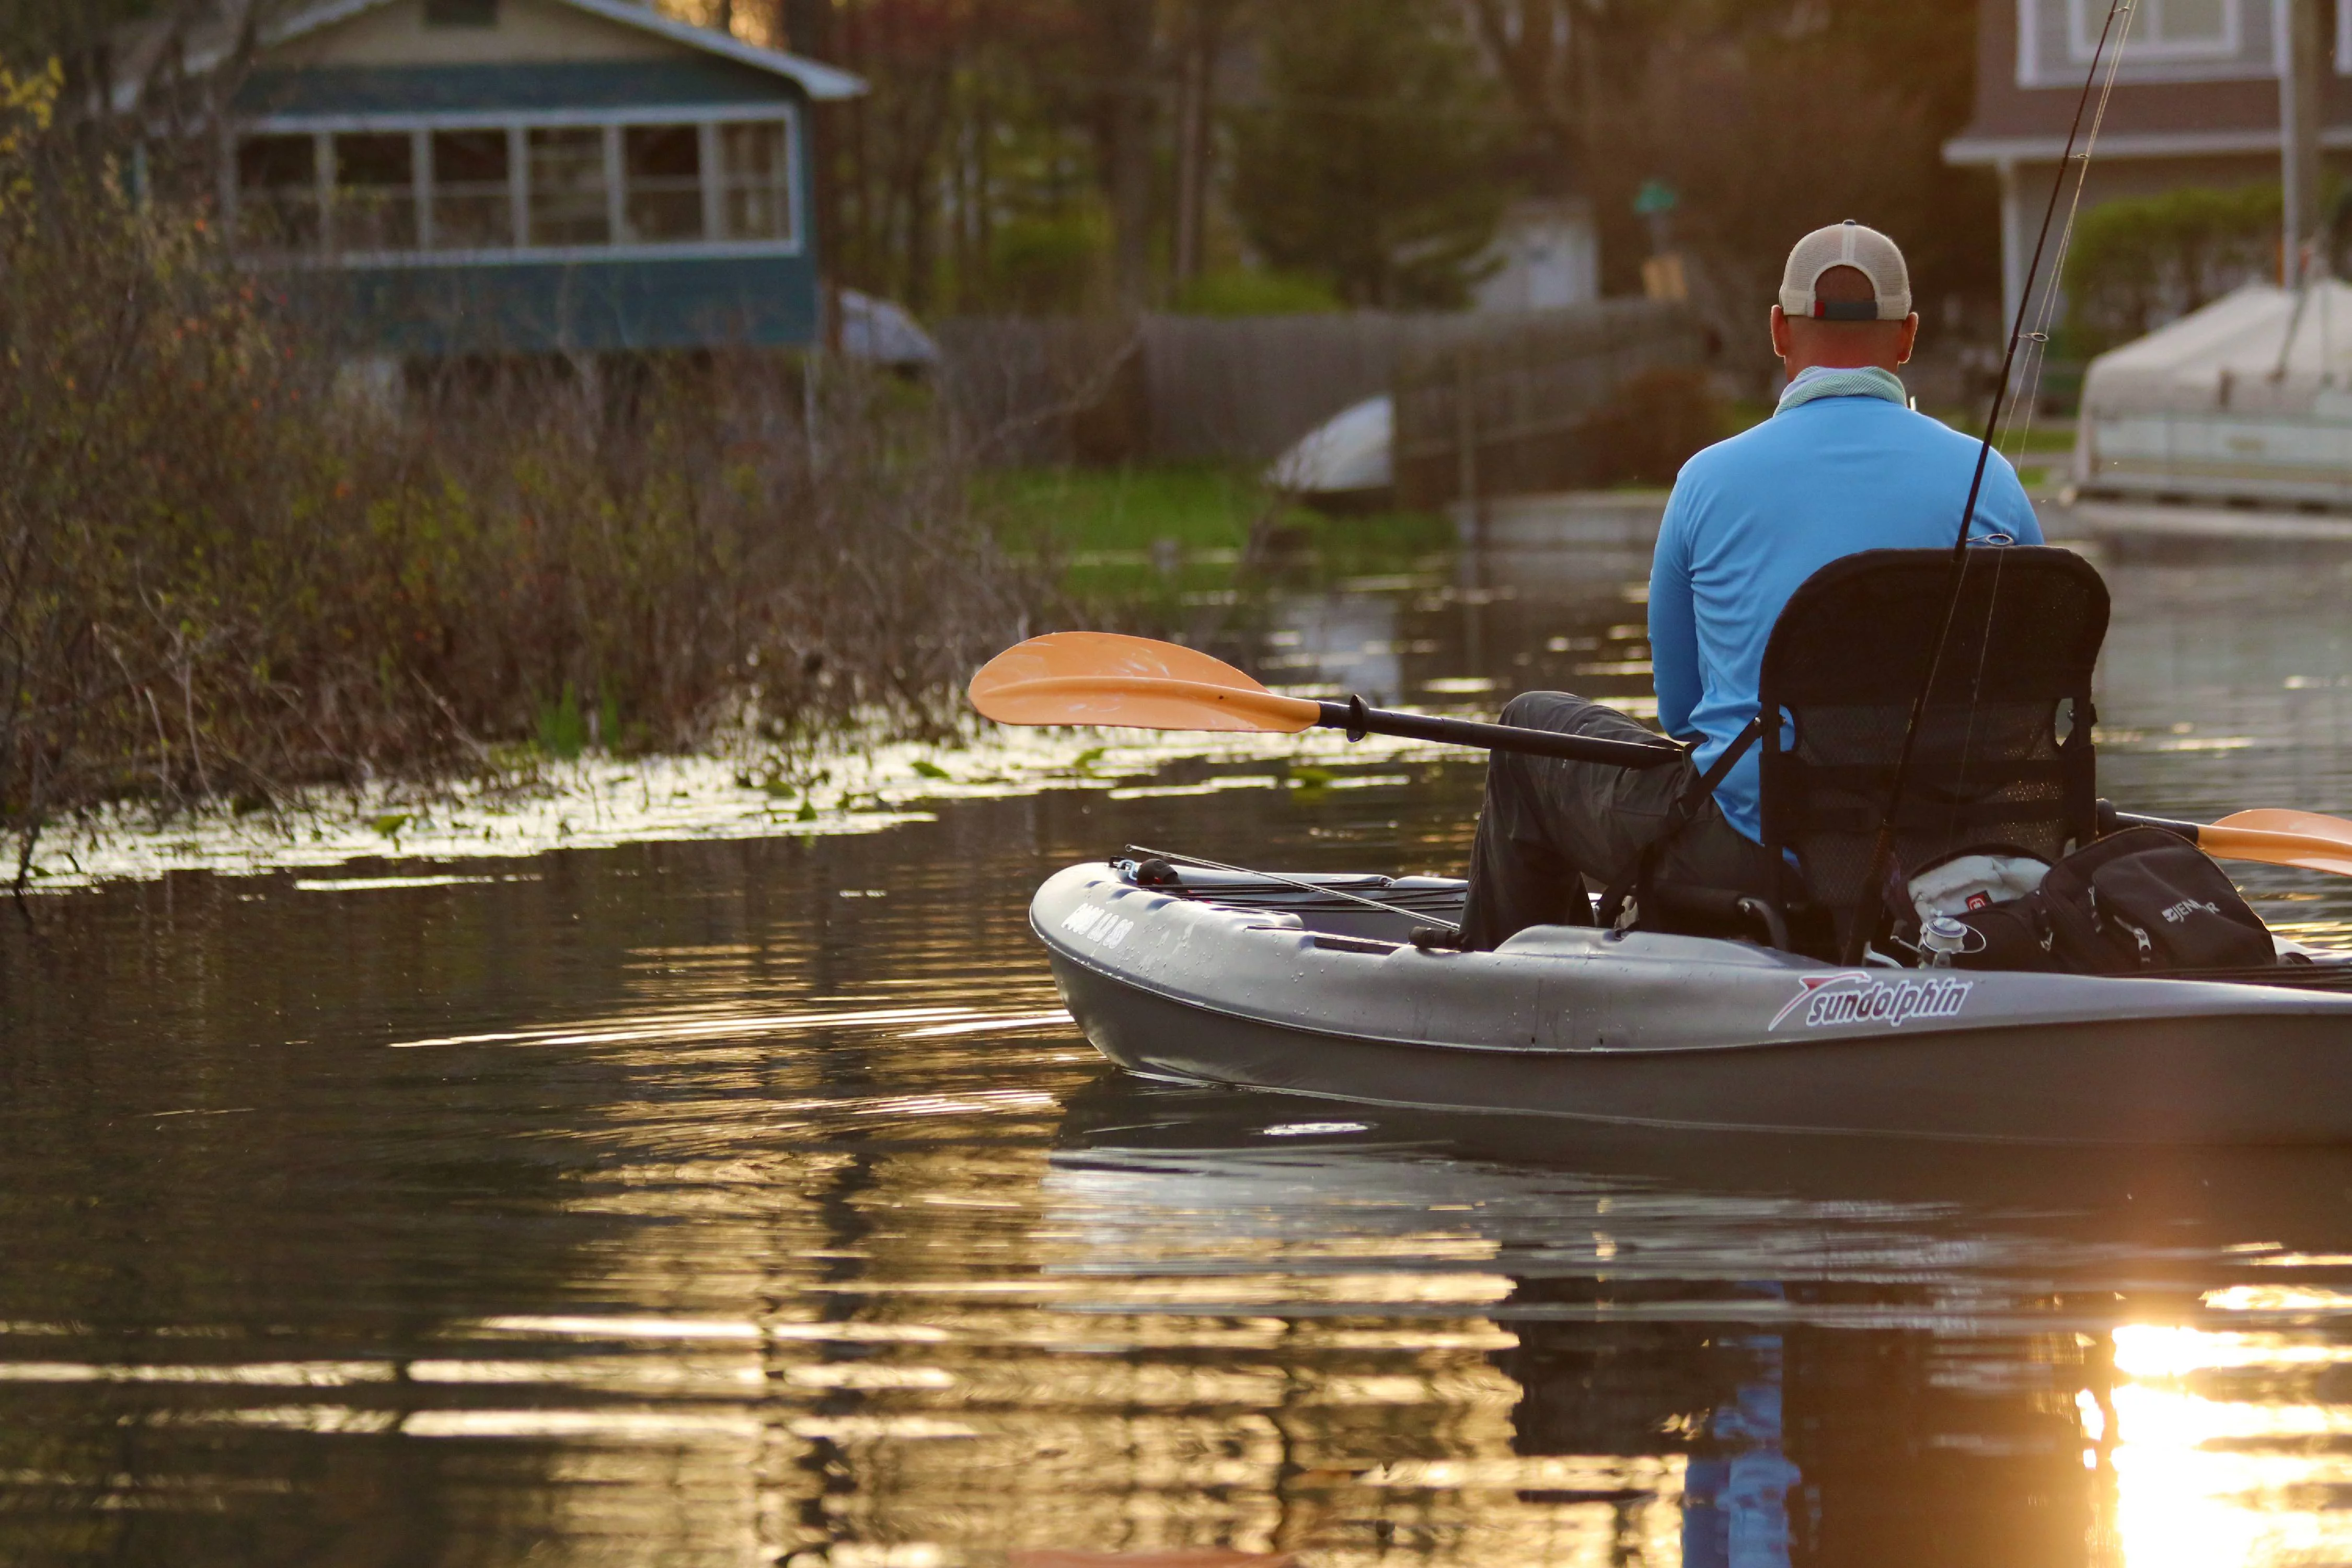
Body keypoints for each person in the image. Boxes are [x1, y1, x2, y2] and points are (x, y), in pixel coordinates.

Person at [1458, 221, 2044, 950]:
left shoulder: (1708, 480)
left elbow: (1682, 712)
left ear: (1777, 331)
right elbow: (2023, 713)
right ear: (1908, 337)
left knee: (1526, 729)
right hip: (1941, 855)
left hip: (1753, 856)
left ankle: (1517, 994)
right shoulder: (1994, 479)